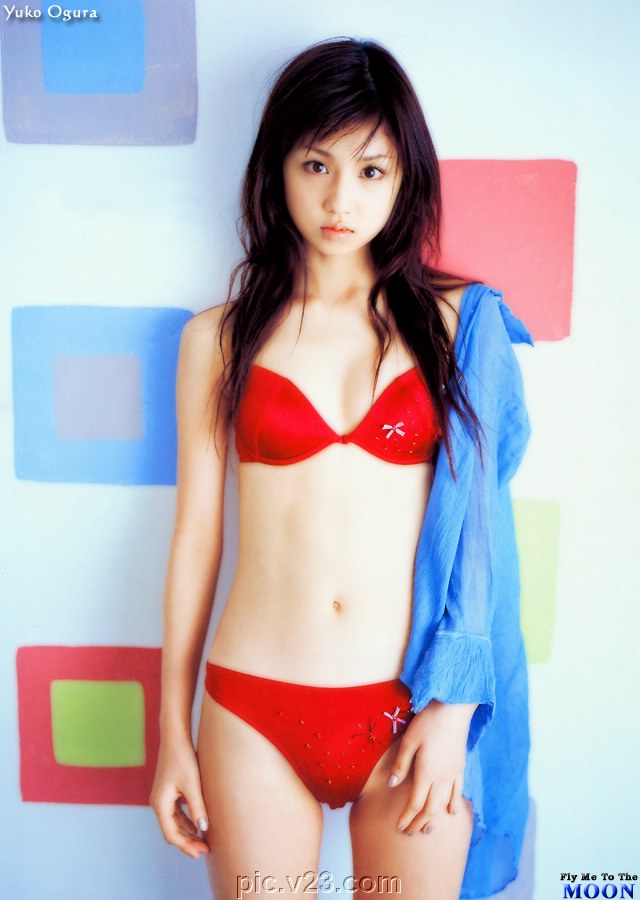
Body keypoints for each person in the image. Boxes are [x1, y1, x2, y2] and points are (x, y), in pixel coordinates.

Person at [150, 37, 532, 900]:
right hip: (252, 711)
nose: (339, 200)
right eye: (315, 165)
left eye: (370, 171)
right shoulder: (216, 340)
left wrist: (453, 709)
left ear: (404, 180)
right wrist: (172, 731)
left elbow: (479, 540)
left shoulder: (457, 326)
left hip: (410, 714)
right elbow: (196, 542)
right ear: (277, 169)